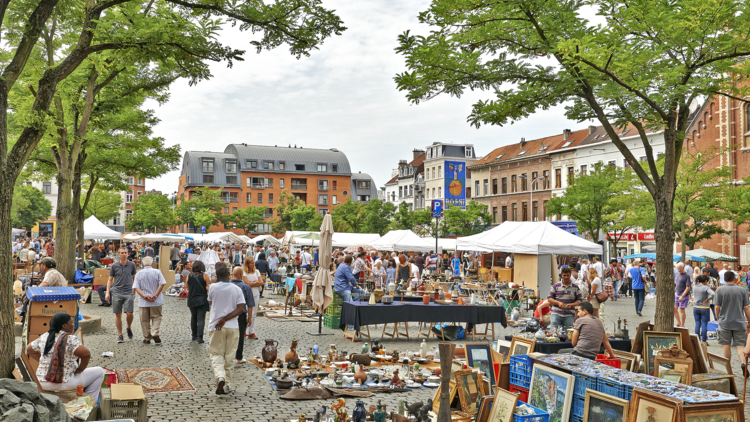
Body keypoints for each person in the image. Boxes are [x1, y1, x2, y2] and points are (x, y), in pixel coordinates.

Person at [26, 313, 105, 399]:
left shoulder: (44, 336)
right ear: (64, 325)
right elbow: (86, 354)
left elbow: (29, 349)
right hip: (62, 383)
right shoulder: (69, 338)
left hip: (40, 382)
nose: (73, 325)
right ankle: (90, 400)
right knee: (100, 372)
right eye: (71, 322)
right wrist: (80, 369)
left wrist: (47, 362)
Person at [207, 264, 245, 395]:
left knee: (216, 354)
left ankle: (220, 377)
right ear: (229, 275)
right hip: (233, 326)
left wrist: (222, 319)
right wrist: (226, 319)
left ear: (217, 277)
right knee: (230, 356)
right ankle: (227, 384)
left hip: (216, 325)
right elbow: (240, 309)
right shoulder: (237, 289)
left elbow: (210, 302)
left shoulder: (213, 287)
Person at [714, 271, 750, 375]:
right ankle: (743, 363)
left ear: (724, 279)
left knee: (726, 344)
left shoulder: (720, 290)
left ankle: (728, 368)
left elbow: (717, 307)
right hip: (739, 322)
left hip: (725, 322)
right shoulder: (742, 290)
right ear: (735, 278)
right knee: (740, 345)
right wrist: (749, 321)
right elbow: (746, 308)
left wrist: (717, 318)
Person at [105, 247, 137, 343]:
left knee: (129, 313)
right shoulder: (114, 266)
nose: (124, 254)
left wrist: (134, 292)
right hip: (117, 291)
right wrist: (107, 293)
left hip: (128, 291)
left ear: (128, 254)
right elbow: (110, 280)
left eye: (125, 253)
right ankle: (120, 335)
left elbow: (135, 279)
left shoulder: (132, 265)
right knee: (118, 314)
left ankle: (128, 327)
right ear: (118, 254)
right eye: (122, 253)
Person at [132, 256, 166, 345]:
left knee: (144, 320)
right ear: (152, 263)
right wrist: (155, 295)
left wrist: (144, 295)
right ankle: (154, 333)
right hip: (156, 300)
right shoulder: (157, 272)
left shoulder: (139, 273)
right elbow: (162, 284)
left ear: (143, 264)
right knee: (156, 317)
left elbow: (136, 287)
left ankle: (147, 338)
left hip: (143, 302)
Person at [230, 266, 255, 364]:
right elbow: (250, 304)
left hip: (228, 314)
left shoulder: (227, 285)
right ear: (241, 275)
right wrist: (249, 318)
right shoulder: (245, 286)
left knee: (228, 335)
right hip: (241, 314)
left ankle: (227, 356)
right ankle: (238, 357)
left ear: (233, 274)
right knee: (240, 336)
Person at [187, 260, 211, 343]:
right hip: (202, 299)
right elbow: (208, 287)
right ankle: (200, 337)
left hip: (191, 299)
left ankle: (194, 335)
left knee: (193, 317)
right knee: (201, 318)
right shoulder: (205, 275)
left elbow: (187, 286)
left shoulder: (189, 276)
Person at [242, 257, 263, 339]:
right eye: (251, 263)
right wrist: (256, 282)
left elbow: (261, 282)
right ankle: (244, 330)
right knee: (247, 313)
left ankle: (251, 331)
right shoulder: (244, 272)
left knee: (254, 314)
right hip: (247, 295)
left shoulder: (257, 271)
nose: (253, 264)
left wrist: (253, 283)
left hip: (256, 294)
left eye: (253, 262)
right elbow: (246, 283)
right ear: (247, 264)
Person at [693, 275, 714, 343]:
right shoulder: (706, 287)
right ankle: (704, 341)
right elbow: (713, 294)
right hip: (704, 308)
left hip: (696, 307)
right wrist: (707, 299)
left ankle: (697, 340)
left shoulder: (694, 287)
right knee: (704, 324)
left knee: (697, 324)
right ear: (705, 281)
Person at [674, 262, 691, 328]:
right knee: (675, 309)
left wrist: (682, 296)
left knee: (682, 310)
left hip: (683, 295)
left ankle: (682, 324)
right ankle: (678, 322)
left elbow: (688, 287)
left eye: (680, 268)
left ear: (683, 268)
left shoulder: (686, 276)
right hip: (677, 294)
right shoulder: (678, 275)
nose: (679, 270)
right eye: (678, 268)